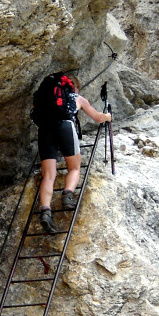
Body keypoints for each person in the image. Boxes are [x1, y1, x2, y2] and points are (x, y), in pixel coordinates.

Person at [37, 76, 112, 233]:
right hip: (65, 126)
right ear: (74, 87)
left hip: (44, 130)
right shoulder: (76, 97)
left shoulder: (46, 100)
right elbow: (98, 118)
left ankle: (45, 211)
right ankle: (67, 195)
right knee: (74, 168)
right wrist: (107, 117)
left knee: (48, 175)